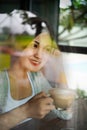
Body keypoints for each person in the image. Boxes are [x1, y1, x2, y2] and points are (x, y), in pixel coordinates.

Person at [0, 11, 72, 130]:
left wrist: (60, 69)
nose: (39, 55)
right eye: (34, 45)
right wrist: (26, 111)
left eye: (46, 49)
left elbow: (65, 113)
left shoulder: (36, 78)